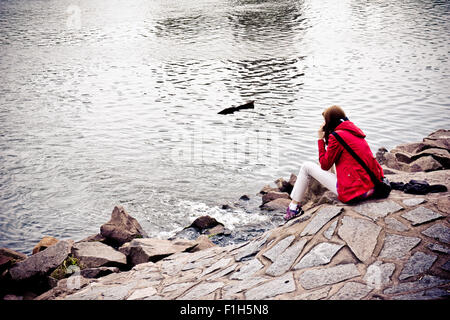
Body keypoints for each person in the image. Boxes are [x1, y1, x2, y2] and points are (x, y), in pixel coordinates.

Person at [285, 105, 385, 221]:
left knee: (306, 167)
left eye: (325, 121)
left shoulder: (336, 137)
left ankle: (293, 208)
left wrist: (320, 140)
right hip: (369, 187)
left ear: (329, 122)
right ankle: (295, 206)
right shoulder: (354, 132)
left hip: (351, 193)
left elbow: (324, 165)